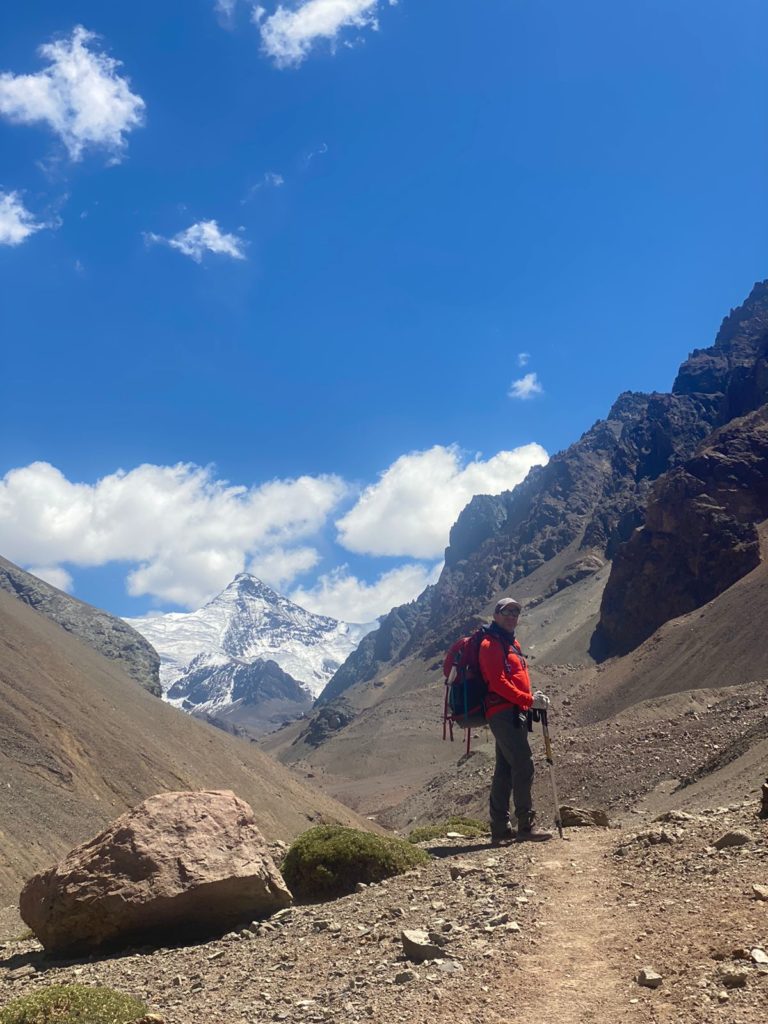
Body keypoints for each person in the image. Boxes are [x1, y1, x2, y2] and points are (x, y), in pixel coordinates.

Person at [479, 597, 552, 844]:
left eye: (515, 612)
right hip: (503, 712)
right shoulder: (490, 645)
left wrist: (529, 700)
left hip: (514, 711)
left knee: (505, 769)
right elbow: (498, 683)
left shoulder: (511, 643)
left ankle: (500, 827)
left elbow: (515, 677)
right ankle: (525, 825)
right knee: (523, 764)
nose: (512, 616)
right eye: (506, 611)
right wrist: (528, 700)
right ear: (496, 615)